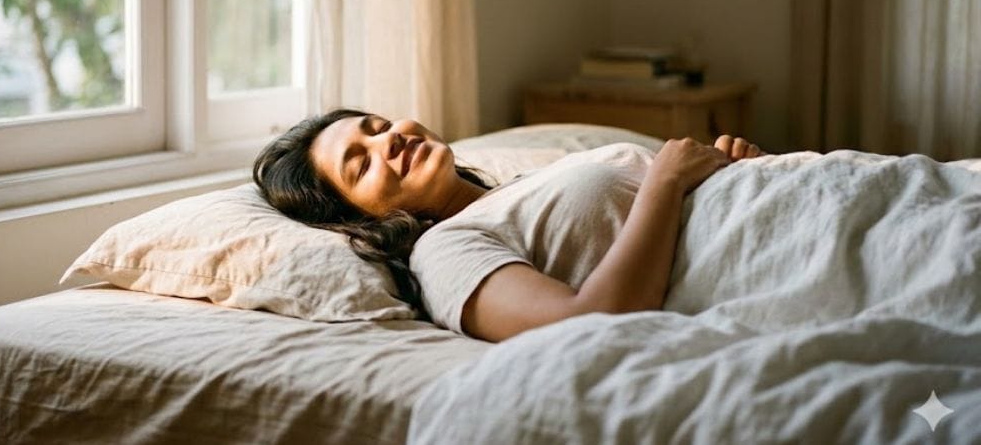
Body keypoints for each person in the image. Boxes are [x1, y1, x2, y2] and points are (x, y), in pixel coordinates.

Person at [253, 108, 765, 342]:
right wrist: (666, 184)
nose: (389, 142)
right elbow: (589, 323)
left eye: (380, 127)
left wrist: (735, 170)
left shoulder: (522, 184)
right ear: (358, 218)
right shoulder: (445, 251)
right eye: (362, 165)